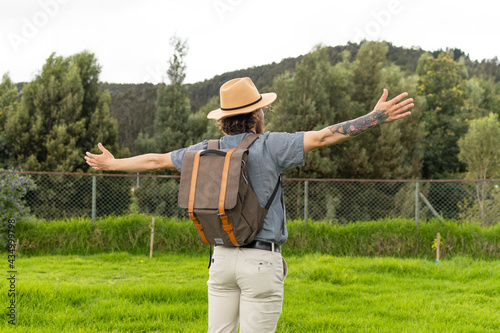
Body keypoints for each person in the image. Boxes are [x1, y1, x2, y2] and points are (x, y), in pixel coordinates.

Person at [85, 77, 414, 332]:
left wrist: (113, 164)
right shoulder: (271, 145)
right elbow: (324, 136)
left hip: (221, 260)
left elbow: (156, 160)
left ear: (223, 120)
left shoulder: (204, 149)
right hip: (261, 262)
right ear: (256, 114)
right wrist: (374, 118)